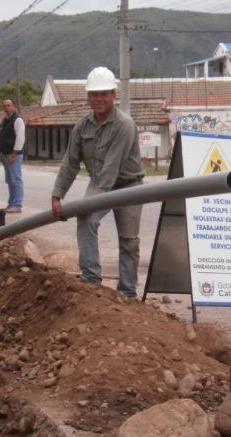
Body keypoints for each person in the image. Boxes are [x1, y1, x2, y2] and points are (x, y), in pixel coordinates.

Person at [51, 67, 145, 300]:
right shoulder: (82, 126)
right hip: (99, 182)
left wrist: (91, 202)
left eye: (104, 94)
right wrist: (57, 194)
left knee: (129, 240)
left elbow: (110, 169)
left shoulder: (124, 125)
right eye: (94, 94)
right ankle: (91, 279)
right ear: (88, 96)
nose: (99, 99)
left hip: (129, 187)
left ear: (114, 94)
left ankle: (127, 293)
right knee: (86, 220)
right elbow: (70, 162)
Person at [0, 99, 25, 213]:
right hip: (5, 154)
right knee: (10, 180)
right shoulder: (5, 120)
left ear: (13, 106)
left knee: (16, 180)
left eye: (8, 105)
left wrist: (14, 154)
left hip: (13, 155)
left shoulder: (18, 120)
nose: (6, 108)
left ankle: (17, 205)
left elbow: (20, 138)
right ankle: (11, 204)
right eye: (4, 106)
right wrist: (0, 152)